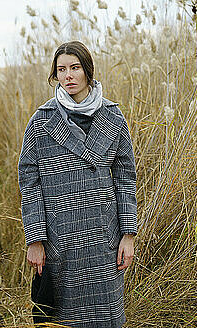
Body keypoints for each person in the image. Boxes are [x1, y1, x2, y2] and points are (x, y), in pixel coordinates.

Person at [18, 40, 138, 327]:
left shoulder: (112, 116)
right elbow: (29, 182)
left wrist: (128, 234)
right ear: (55, 75)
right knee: (65, 320)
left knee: (105, 316)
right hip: (61, 240)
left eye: (75, 68)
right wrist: (35, 240)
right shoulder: (42, 121)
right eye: (61, 70)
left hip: (103, 238)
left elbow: (125, 178)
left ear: (88, 72)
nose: (68, 75)